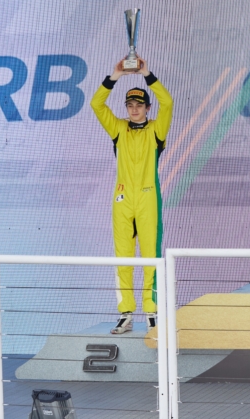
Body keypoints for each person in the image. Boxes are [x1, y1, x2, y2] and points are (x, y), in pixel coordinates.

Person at [90, 56, 173, 334]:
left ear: (148, 107)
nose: (134, 109)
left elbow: (168, 102)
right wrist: (114, 76)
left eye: (139, 105)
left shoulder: (157, 129)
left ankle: (151, 313)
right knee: (123, 258)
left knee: (151, 257)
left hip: (149, 199)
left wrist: (147, 73)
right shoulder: (118, 128)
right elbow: (96, 104)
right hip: (122, 201)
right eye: (130, 105)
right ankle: (125, 314)